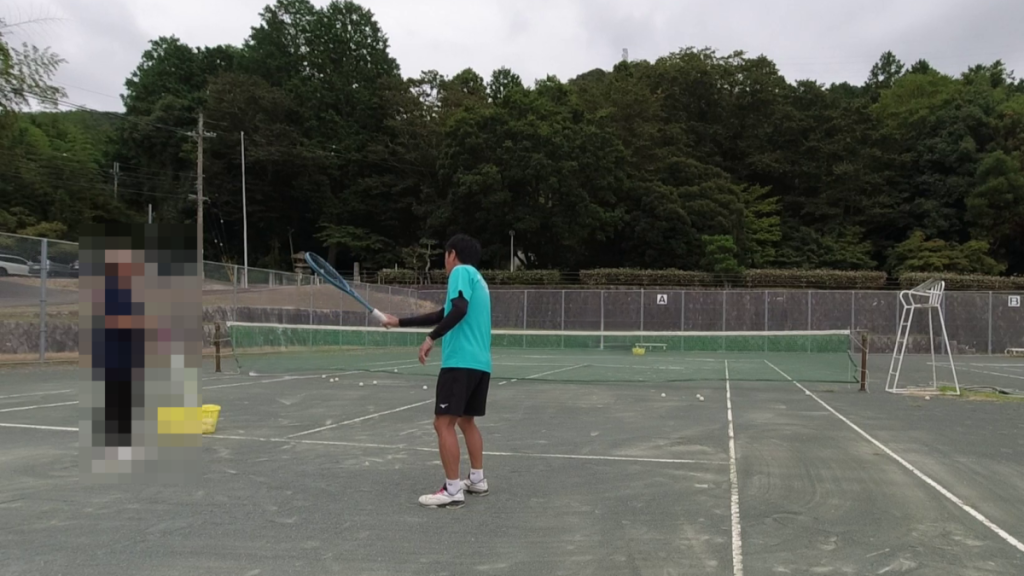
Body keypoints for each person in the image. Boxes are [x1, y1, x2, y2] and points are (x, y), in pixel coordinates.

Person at [382, 234, 492, 508]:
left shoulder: (460, 273)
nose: (445, 262)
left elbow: (459, 309)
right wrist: (399, 322)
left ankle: (452, 489)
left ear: (452, 254)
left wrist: (431, 338)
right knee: (466, 421)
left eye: (445, 256)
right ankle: (477, 479)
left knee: (443, 424)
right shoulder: (478, 279)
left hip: (460, 362)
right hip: (480, 364)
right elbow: (444, 313)